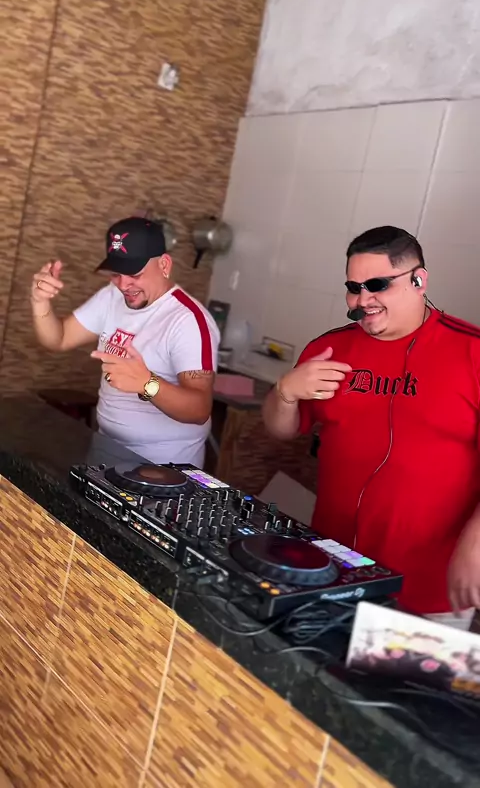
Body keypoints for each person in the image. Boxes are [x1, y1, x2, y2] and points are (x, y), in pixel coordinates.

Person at [263, 225, 480, 628]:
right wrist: (285, 391)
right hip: (330, 571)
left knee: (406, 674)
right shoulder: (328, 348)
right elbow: (280, 430)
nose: (363, 300)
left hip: (429, 588)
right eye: (354, 288)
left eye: (378, 285)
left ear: (419, 280)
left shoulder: (472, 352)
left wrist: (475, 545)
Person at [31, 217, 220, 467]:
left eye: (135, 274)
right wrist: (40, 302)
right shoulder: (112, 297)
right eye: (116, 274)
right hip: (106, 449)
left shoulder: (188, 321)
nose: (123, 285)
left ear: (164, 265)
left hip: (163, 466)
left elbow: (199, 409)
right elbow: (60, 338)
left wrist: (147, 383)